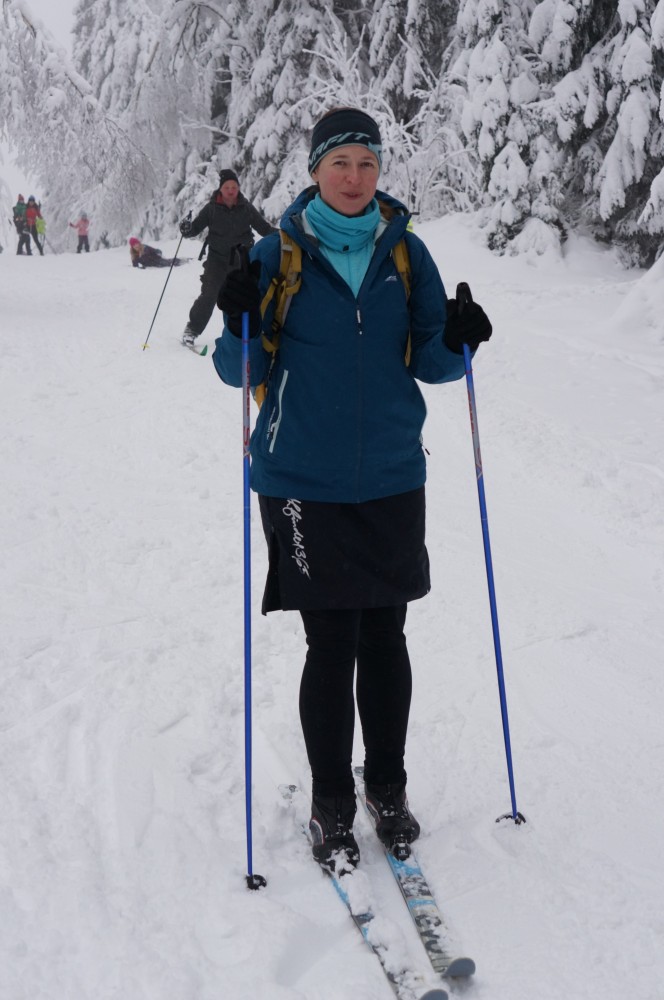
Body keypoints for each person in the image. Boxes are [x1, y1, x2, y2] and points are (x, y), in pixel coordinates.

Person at [212, 108, 493, 873]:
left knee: (386, 636)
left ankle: (387, 788)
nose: (355, 176)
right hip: (302, 480)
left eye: (367, 163)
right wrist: (237, 323)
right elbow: (239, 371)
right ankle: (332, 800)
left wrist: (460, 338)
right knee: (332, 640)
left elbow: (432, 358)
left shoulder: (405, 252)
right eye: (340, 162)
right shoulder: (277, 255)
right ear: (314, 171)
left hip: (392, 475)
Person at [178, 169, 276, 349]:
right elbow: (194, 229)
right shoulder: (211, 209)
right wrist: (186, 228)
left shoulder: (246, 208)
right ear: (220, 189)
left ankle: (245, 334)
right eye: (227, 187)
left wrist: (282, 235)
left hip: (242, 260)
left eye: (234, 187)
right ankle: (192, 329)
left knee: (244, 297)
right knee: (209, 295)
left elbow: (264, 228)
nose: (231, 191)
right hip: (216, 260)